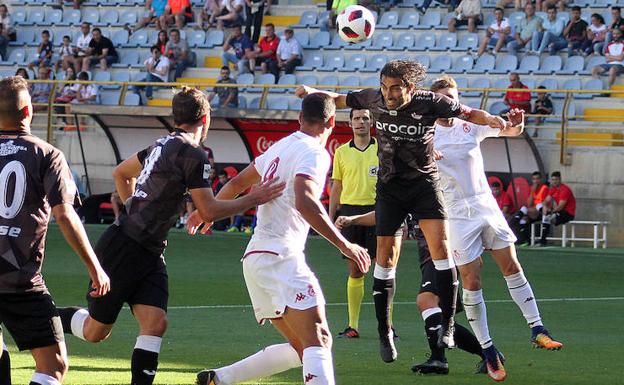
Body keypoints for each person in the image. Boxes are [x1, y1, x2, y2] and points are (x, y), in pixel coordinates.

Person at [56, 87, 285, 385]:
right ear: (205, 118)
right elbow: (210, 211)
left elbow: (121, 174)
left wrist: (134, 208)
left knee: (155, 323)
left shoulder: (162, 144)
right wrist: (255, 198)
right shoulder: (194, 153)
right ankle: (44, 314)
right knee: (95, 332)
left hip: (149, 251)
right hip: (123, 248)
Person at [295, 60, 507, 363]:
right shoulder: (372, 98)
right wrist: (313, 91)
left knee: (442, 250)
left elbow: (470, 113)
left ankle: (446, 327)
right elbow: (338, 100)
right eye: (385, 86)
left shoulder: (430, 102)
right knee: (385, 258)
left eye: (395, 88)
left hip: (424, 185)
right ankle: (384, 333)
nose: (389, 93)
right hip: (390, 188)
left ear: (410, 87)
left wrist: (492, 120)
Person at [191, 92, 371, 385]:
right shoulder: (315, 152)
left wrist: (208, 213)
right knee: (319, 339)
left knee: (303, 347)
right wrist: (346, 245)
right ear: (331, 122)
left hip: (256, 259)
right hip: (281, 256)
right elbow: (306, 201)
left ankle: (219, 379)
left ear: (300, 118)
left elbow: (237, 183)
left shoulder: (280, 147)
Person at [431, 75, 563, 381]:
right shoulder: (426, 135)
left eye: (452, 97)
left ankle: (537, 328)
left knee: (511, 265)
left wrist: (518, 123)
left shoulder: (470, 123)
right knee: (471, 280)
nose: (449, 103)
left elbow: (508, 130)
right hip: (456, 214)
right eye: (443, 99)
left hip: (485, 206)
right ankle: (488, 351)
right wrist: (426, 156)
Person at [0, 75, 110, 385]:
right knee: (53, 365)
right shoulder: (47, 154)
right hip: (19, 278)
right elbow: (65, 215)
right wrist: (95, 268)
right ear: (28, 112)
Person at [335, 213, 487, 376]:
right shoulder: (411, 197)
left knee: (426, 301)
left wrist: (473, 251)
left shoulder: (432, 194)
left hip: (445, 256)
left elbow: (461, 218)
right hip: (431, 257)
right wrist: (353, 220)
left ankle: (481, 355)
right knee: (439, 315)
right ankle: (457, 357)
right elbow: (385, 212)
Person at [328, 109, 378, 339]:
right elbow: (336, 186)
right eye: (356, 118)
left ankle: (386, 326)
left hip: (377, 212)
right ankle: (353, 324)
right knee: (355, 270)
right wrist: (330, 217)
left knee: (382, 272)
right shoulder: (341, 152)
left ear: (371, 122)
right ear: (349, 123)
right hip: (348, 212)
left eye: (365, 118)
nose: (361, 122)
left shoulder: (382, 149)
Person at [508, 171, 549, 245]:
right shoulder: (531, 188)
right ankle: (525, 240)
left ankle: (510, 223)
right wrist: (532, 191)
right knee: (523, 219)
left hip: (541, 212)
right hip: (532, 212)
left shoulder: (544, 188)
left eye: (537, 179)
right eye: (534, 179)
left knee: (524, 209)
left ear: (541, 179)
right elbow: (529, 203)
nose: (535, 181)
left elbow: (544, 204)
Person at [539, 171, 576, 246]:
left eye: (556, 179)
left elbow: (561, 206)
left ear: (560, 180)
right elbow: (546, 200)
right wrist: (545, 207)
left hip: (568, 213)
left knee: (547, 217)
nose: (554, 181)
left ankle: (542, 240)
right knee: (541, 209)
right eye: (552, 180)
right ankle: (543, 241)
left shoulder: (565, 190)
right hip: (558, 212)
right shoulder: (553, 189)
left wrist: (551, 211)